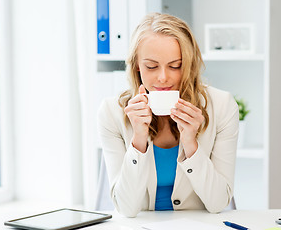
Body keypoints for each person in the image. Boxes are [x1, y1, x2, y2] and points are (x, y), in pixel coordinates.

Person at [97, 12, 239, 217]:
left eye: (176, 66)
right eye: (151, 66)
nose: (163, 77)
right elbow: (126, 208)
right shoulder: (112, 113)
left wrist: (191, 144)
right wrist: (138, 139)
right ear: (137, 64)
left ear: (189, 64)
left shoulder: (222, 106)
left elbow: (217, 203)